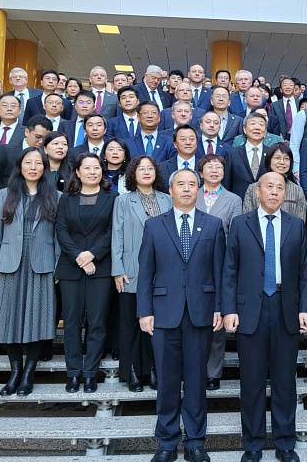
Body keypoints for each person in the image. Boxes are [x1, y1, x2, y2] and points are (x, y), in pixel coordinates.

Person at [223, 172, 307, 462]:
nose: (274, 192)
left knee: (285, 381)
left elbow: (305, 273)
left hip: (286, 308)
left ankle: (285, 443)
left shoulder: (296, 225)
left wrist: (305, 309)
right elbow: (230, 270)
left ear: (285, 193)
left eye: (280, 187)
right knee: (252, 382)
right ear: (257, 192)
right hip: (251, 310)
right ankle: (252, 444)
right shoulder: (240, 224)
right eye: (269, 187)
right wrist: (229, 309)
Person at [137, 168, 225, 462]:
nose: (186, 189)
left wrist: (219, 307)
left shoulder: (213, 225)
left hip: (201, 312)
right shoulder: (154, 225)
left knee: (197, 381)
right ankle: (166, 443)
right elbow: (145, 272)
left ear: (199, 190)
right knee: (167, 381)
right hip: (163, 313)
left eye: (192, 184)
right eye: (181, 184)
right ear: (171, 191)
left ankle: (195, 443)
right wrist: (144, 311)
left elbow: (220, 271)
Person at [0, 147, 60, 397]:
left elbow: (59, 235)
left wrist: (57, 264)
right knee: (9, 318)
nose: (33, 167)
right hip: (10, 262)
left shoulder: (55, 196)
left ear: (44, 168)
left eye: (38, 163)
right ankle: (15, 372)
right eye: (28, 162)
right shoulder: (5, 194)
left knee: (38, 318)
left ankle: (29, 373)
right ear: (20, 166)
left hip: (42, 262)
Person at [55, 153, 118, 394]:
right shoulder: (66, 198)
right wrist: (79, 257)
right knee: (71, 321)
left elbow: (113, 231)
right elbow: (61, 231)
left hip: (100, 267)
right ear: (77, 172)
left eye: (97, 168)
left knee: (97, 321)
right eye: (87, 168)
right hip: (71, 268)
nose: (92, 172)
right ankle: (73, 372)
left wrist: (92, 254)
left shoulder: (113, 198)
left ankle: (91, 372)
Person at [112, 156, 172, 392]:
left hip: (162, 270)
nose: (146, 172)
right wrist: (117, 269)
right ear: (132, 174)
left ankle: (154, 369)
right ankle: (132, 371)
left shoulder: (167, 199)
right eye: (141, 169)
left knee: (156, 324)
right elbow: (117, 235)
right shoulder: (123, 200)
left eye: (150, 168)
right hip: (131, 269)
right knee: (130, 324)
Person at [196, 154, 243, 390]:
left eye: (219, 167)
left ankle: (213, 372)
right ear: (200, 172)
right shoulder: (191, 193)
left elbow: (235, 234)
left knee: (217, 321)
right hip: (192, 265)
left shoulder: (233, 199)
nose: (214, 170)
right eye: (209, 166)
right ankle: (194, 369)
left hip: (221, 264)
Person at [242, 143, 306, 221]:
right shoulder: (253, 188)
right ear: (269, 160)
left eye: (286, 159)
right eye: (277, 158)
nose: (282, 162)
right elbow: (247, 219)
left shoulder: (297, 191)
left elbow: (300, 222)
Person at [0, 115, 53, 181]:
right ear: (27, 132)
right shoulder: (7, 150)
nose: (41, 141)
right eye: (38, 137)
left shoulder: (49, 154)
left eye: (45, 138)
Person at [223, 113, 270, 199]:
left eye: (261, 124)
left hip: (265, 202)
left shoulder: (271, 153)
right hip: (239, 203)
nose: (257, 127)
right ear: (244, 129)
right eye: (253, 124)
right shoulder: (232, 154)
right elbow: (227, 184)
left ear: (265, 130)